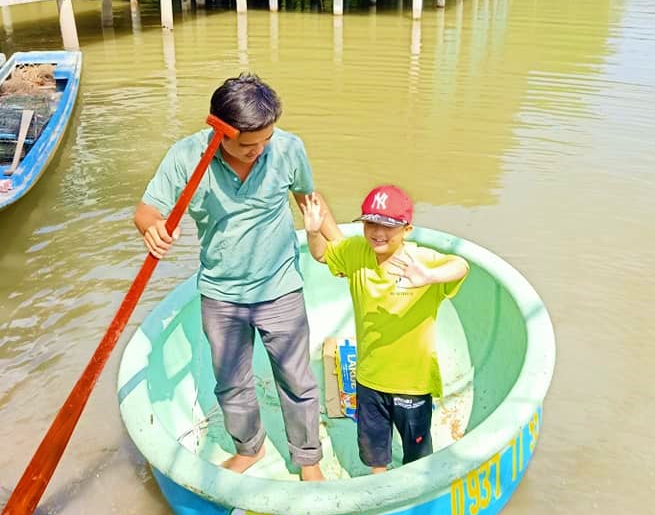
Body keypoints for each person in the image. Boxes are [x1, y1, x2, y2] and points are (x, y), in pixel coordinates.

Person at [134, 73, 340, 481]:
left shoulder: (287, 149)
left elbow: (309, 200)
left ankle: (308, 459)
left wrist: (346, 252)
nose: (259, 150)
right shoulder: (186, 157)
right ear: (219, 131)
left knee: (298, 380)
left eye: (265, 139)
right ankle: (250, 448)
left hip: (280, 287)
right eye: (248, 145)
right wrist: (152, 229)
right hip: (221, 293)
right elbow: (147, 211)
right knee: (231, 383)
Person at [301, 185, 469, 473]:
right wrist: (314, 232)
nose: (378, 233)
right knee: (374, 450)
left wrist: (429, 277)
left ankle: (412, 487)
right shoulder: (356, 251)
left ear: (407, 229)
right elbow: (322, 255)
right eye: (371, 224)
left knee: (417, 454)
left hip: (412, 383)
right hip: (369, 378)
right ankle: (379, 484)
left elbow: (461, 265)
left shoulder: (420, 260)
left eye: (388, 227)